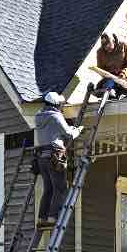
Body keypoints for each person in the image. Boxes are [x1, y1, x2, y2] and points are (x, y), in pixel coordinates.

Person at [34, 92, 83, 229]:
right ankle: (52, 217)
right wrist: (78, 129)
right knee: (60, 188)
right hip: (54, 156)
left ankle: (42, 218)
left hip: (41, 157)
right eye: (60, 104)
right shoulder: (55, 116)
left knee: (48, 188)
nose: (62, 106)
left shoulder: (38, 116)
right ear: (56, 105)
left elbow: (54, 132)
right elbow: (69, 134)